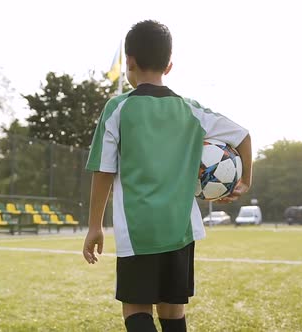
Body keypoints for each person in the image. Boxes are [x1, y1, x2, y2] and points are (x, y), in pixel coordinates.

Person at [83, 20, 252, 332]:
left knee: (136, 309)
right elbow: (243, 136)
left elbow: (104, 171)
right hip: (180, 230)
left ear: (129, 62)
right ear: (169, 65)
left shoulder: (118, 108)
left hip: (138, 231)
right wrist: (244, 182)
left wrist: (95, 226)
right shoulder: (191, 110)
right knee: (173, 312)